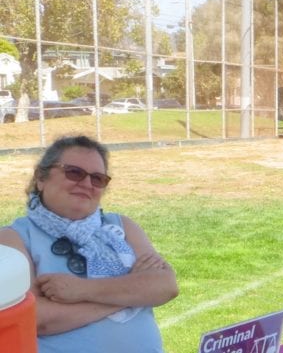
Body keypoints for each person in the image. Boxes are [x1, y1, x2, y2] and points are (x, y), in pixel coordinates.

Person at [0, 135, 178, 352]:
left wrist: (81, 290)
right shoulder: (13, 238)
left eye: (98, 179)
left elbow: (165, 286)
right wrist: (132, 294)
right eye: (74, 172)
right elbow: (36, 319)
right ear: (40, 178)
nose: (86, 184)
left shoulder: (123, 226)